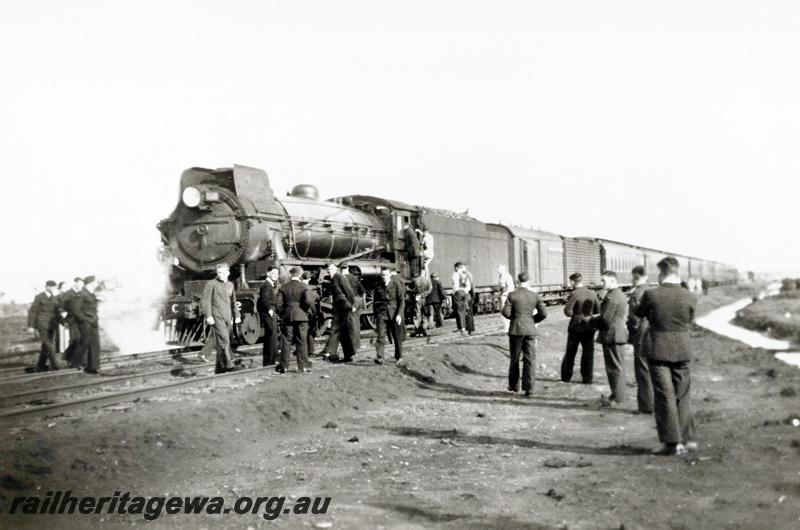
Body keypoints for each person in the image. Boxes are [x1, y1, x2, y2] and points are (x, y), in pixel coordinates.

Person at [635, 257, 698, 456]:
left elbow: (639, 313)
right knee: (683, 395)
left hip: (658, 348)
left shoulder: (651, 294)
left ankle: (671, 444)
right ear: (677, 272)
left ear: (661, 273)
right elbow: (689, 319)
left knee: (664, 396)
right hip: (682, 348)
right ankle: (687, 440)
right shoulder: (690, 296)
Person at [502, 272, 547, 397]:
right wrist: (532, 320)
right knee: (530, 359)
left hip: (516, 330)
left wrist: (515, 318)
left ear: (517, 281)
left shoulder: (512, 295)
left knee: (515, 358)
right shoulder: (535, 295)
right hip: (530, 330)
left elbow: (505, 312)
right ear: (529, 281)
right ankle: (529, 389)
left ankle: (514, 386)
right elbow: (543, 313)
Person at [589, 271, 629, 403]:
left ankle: (617, 396)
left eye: (603, 281)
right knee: (618, 366)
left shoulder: (612, 296)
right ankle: (618, 395)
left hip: (612, 335)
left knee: (613, 368)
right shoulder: (619, 294)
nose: (601, 283)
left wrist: (590, 321)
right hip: (618, 334)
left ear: (612, 281)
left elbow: (605, 319)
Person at [200, 264, 242, 374]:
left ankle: (219, 367)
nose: (221, 275)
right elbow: (206, 301)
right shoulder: (211, 284)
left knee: (221, 341)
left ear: (228, 273)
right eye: (219, 273)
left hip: (228, 317)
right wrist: (208, 315)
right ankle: (229, 364)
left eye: (223, 272)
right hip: (217, 315)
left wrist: (237, 315)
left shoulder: (230, 285)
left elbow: (233, 302)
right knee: (224, 339)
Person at [560, 273, 600, 384]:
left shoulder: (575, 294)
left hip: (575, 327)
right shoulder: (592, 293)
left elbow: (568, 312)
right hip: (589, 328)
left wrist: (575, 314)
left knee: (570, 353)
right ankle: (587, 378)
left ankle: (566, 377)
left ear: (573, 282)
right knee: (588, 353)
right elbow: (598, 310)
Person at [276, 267, 315, 373]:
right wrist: (311, 312)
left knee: (286, 341)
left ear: (290, 275)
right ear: (299, 275)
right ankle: (303, 366)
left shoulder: (283, 287)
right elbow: (309, 301)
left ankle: (283, 365)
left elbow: (278, 304)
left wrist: (282, 313)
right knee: (301, 341)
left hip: (287, 316)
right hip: (301, 316)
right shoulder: (304, 286)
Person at [627, 265, 654, 414]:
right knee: (650, 369)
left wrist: (631, 331)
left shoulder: (637, 293)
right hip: (651, 332)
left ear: (636, 276)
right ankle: (652, 404)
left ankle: (645, 407)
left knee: (642, 370)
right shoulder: (651, 290)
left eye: (633, 277)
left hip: (641, 334)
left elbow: (634, 318)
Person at [322, 263, 356, 362]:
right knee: (344, 330)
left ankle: (329, 351)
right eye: (328, 269)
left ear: (336, 269)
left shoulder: (340, 277)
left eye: (331, 269)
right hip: (338, 305)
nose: (330, 271)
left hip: (342, 305)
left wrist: (352, 304)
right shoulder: (333, 278)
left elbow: (348, 291)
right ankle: (349, 353)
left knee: (335, 327)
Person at [27, 280, 63, 371]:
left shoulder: (54, 298)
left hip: (51, 324)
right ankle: (55, 365)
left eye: (54, 287)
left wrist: (64, 322)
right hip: (42, 323)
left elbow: (57, 312)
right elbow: (33, 312)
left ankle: (40, 365)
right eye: (52, 286)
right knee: (49, 344)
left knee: (46, 345)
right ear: (47, 287)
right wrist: (30, 326)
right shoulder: (39, 297)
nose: (53, 288)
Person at [374, 266, 405, 364]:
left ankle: (399, 357)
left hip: (394, 313)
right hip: (382, 314)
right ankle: (380, 357)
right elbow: (375, 301)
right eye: (382, 275)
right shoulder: (378, 285)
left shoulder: (396, 284)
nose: (384, 277)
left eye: (386, 275)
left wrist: (399, 314)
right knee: (381, 335)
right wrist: (376, 314)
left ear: (390, 275)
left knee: (397, 336)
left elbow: (401, 301)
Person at [71, 276, 102, 374]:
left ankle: (93, 367)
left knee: (95, 344)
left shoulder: (90, 294)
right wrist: (84, 320)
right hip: (87, 322)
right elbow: (76, 309)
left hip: (93, 322)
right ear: (91, 283)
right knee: (85, 342)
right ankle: (76, 362)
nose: (97, 284)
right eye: (95, 282)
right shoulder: (82, 294)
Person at [257, 265, 280, 366]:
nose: (275, 275)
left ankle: (268, 360)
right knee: (272, 336)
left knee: (270, 336)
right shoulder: (267, 285)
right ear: (268, 274)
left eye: (277, 274)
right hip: (268, 314)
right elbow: (265, 299)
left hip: (269, 313)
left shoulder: (269, 284)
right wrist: (270, 309)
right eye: (273, 273)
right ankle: (270, 360)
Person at [60, 277, 84, 367]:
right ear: (75, 283)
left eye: (82, 285)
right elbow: (63, 305)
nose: (81, 286)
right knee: (75, 339)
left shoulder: (81, 293)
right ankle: (72, 360)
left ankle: (79, 360)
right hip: (73, 319)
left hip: (82, 320)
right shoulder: (68, 293)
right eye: (80, 284)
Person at [451, 262, 475, 336]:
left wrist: (454, 292)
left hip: (458, 293)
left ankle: (462, 328)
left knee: (460, 311)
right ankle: (470, 329)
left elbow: (455, 285)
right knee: (467, 311)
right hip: (466, 293)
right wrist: (465, 290)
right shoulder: (467, 275)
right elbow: (469, 286)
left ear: (457, 268)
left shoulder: (455, 274)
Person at [346, 264, 366, 352]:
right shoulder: (355, 278)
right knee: (356, 323)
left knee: (352, 324)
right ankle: (357, 344)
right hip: (358, 300)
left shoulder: (344, 278)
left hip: (352, 301)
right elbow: (363, 290)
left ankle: (354, 346)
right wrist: (362, 303)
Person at [301, 271, 319, 356]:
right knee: (309, 331)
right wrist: (314, 312)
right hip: (307, 312)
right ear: (309, 278)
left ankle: (303, 350)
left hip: (299, 312)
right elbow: (311, 301)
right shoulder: (308, 288)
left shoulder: (298, 285)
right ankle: (310, 350)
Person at [411, 271, 432, 336]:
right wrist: (422, 295)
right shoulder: (427, 280)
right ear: (424, 273)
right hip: (426, 299)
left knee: (417, 313)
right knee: (425, 314)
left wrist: (417, 294)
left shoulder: (415, 280)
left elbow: (410, 287)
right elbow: (430, 290)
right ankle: (424, 329)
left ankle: (417, 330)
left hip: (417, 299)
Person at [497, 264, 516, 333]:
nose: (498, 270)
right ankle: (507, 328)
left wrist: (505, 294)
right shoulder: (501, 276)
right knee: (502, 312)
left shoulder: (507, 276)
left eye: (499, 269)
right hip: (502, 295)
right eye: (497, 269)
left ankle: (507, 328)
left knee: (505, 311)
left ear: (503, 269)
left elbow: (510, 287)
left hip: (506, 296)